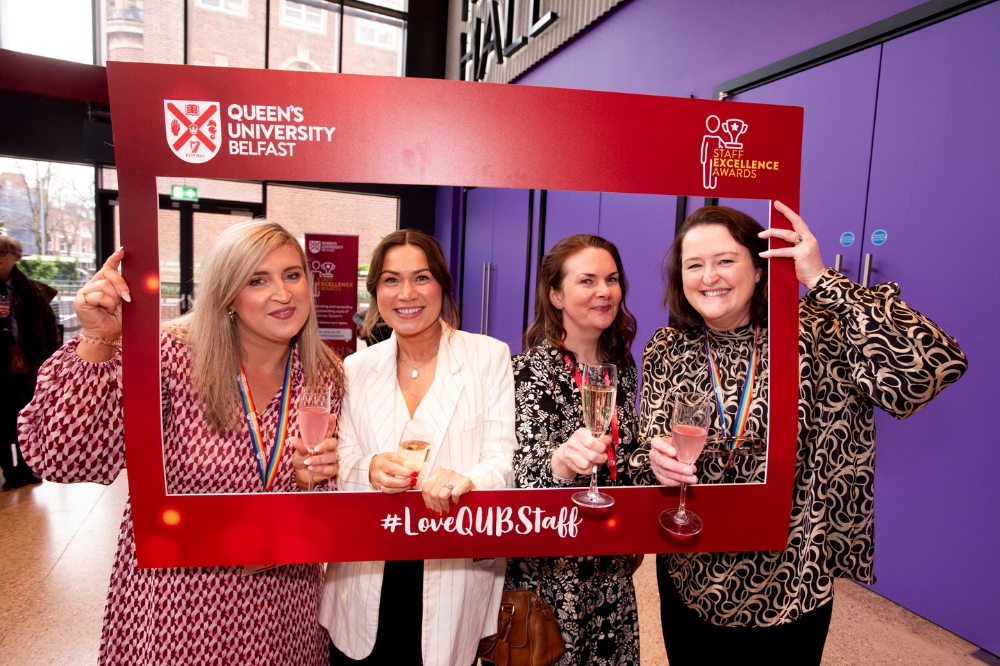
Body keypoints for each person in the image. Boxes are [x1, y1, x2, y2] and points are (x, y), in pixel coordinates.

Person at [631, 203, 967, 664]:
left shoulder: (816, 330)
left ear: (759, 265)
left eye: (725, 260)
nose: (709, 276)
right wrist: (655, 458)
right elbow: (649, 440)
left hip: (793, 574)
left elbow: (934, 364)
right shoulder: (667, 347)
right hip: (691, 567)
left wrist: (824, 280)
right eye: (694, 265)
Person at [18, 220, 343, 666]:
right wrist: (97, 340)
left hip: (283, 600)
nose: (283, 294)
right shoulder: (170, 357)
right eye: (257, 280)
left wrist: (314, 481)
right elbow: (65, 459)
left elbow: (331, 496)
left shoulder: (324, 373)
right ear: (228, 294)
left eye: (292, 275)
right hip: (182, 600)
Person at [320, 229, 515, 666]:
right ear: (375, 292)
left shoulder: (488, 357)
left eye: (421, 277)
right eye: (391, 280)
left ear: (442, 284)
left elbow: (503, 459)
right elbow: (343, 458)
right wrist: (369, 467)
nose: (406, 293)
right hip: (367, 567)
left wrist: (468, 480)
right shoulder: (356, 367)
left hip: (450, 565)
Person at [503, 234, 642, 665]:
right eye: (587, 281)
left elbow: (629, 456)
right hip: (550, 583)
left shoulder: (623, 367)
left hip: (611, 574)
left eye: (612, 279)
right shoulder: (526, 371)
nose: (604, 291)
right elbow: (518, 478)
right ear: (556, 295)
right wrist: (561, 463)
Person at [0, 236, 60, 490]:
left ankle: (29, 467)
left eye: (3, 253)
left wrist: (53, 364)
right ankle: (9, 471)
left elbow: (49, 329)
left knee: (28, 414)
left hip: (29, 364)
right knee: (1, 419)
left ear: (16, 256)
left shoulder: (33, 290)